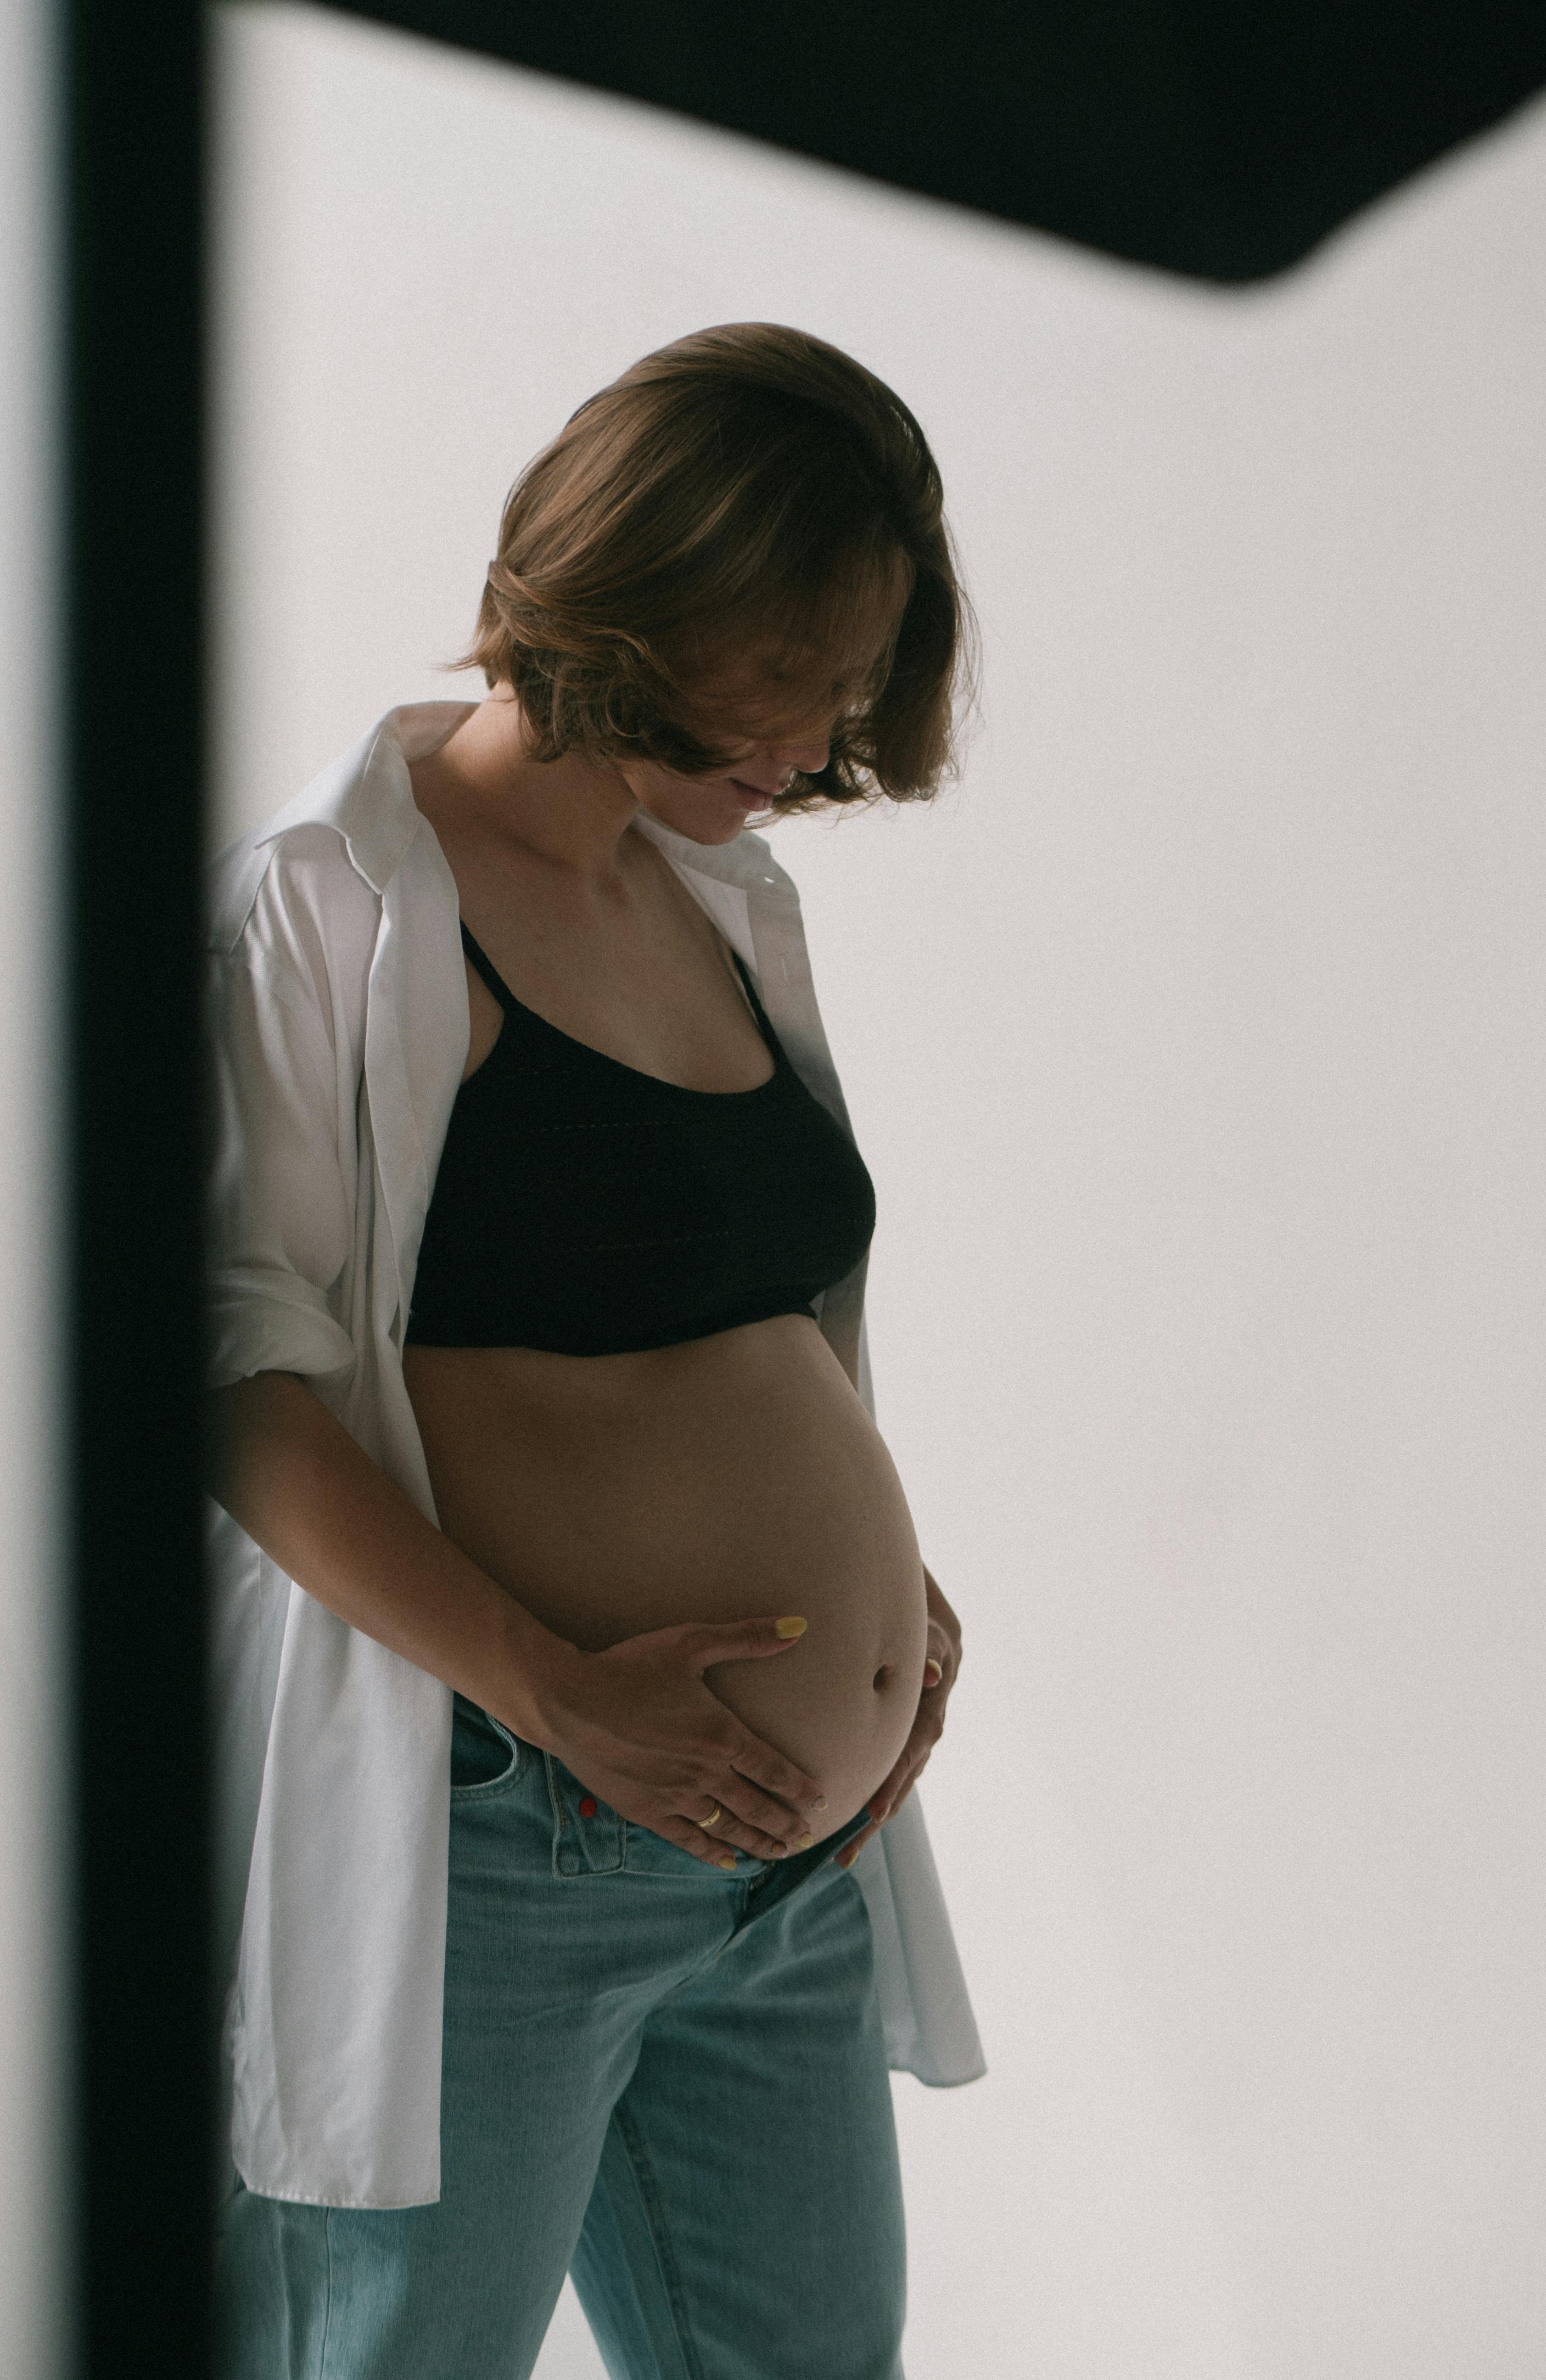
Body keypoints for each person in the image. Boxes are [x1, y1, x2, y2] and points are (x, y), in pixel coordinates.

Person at [205, 322, 985, 2380]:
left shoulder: (714, 898)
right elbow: (227, 1376)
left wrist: (893, 1604)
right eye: (805, 663)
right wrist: (555, 1690)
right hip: (507, 1856)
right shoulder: (331, 909)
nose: (829, 735)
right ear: (660, 584)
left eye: (861, 677)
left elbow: (741, 1319)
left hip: (788, 1877)